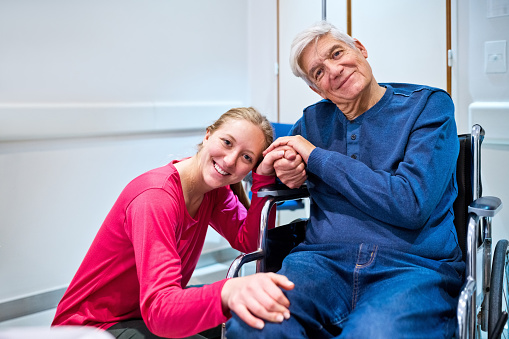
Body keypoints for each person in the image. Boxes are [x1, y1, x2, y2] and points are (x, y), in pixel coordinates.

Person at [226, 21, 465, 338]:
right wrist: (285, 172)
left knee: (374, 333)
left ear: (360, 49)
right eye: (319, 72)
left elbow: (411, 203)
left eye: (337, 53)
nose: (334, 71)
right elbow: (282, 173)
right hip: (321, 263)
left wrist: (316, 158)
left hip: (413, 267)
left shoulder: (427, 106)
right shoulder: (311, 122)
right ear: (317, 89)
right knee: (252, 326)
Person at [51, 107, 297, 339]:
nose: (231, 161)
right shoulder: (155, 197)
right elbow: (159, 309)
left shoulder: (213, 191)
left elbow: (251, 241)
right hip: (92, 327)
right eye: (227, 142)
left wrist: (263, 179)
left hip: (141, 313)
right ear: (208, 134)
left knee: (250, 321)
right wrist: (227, 291)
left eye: (246, 157)